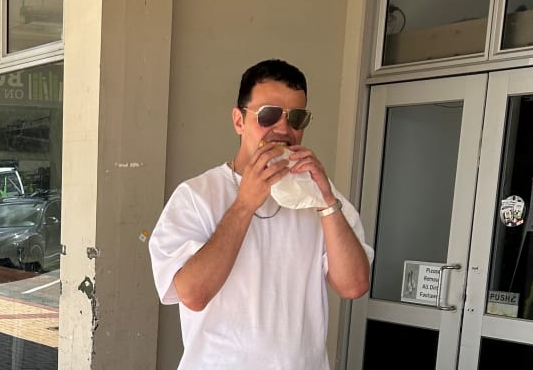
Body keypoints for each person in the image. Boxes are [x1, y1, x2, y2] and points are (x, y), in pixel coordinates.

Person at [149, 59, 374, 369]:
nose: (283, 129)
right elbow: (193, 294)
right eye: (268, 115)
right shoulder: (196, 196)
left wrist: (326, 201)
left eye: (296, 118)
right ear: (239, 121)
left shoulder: (320, 194)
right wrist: (244, 204)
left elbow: (354, 286)